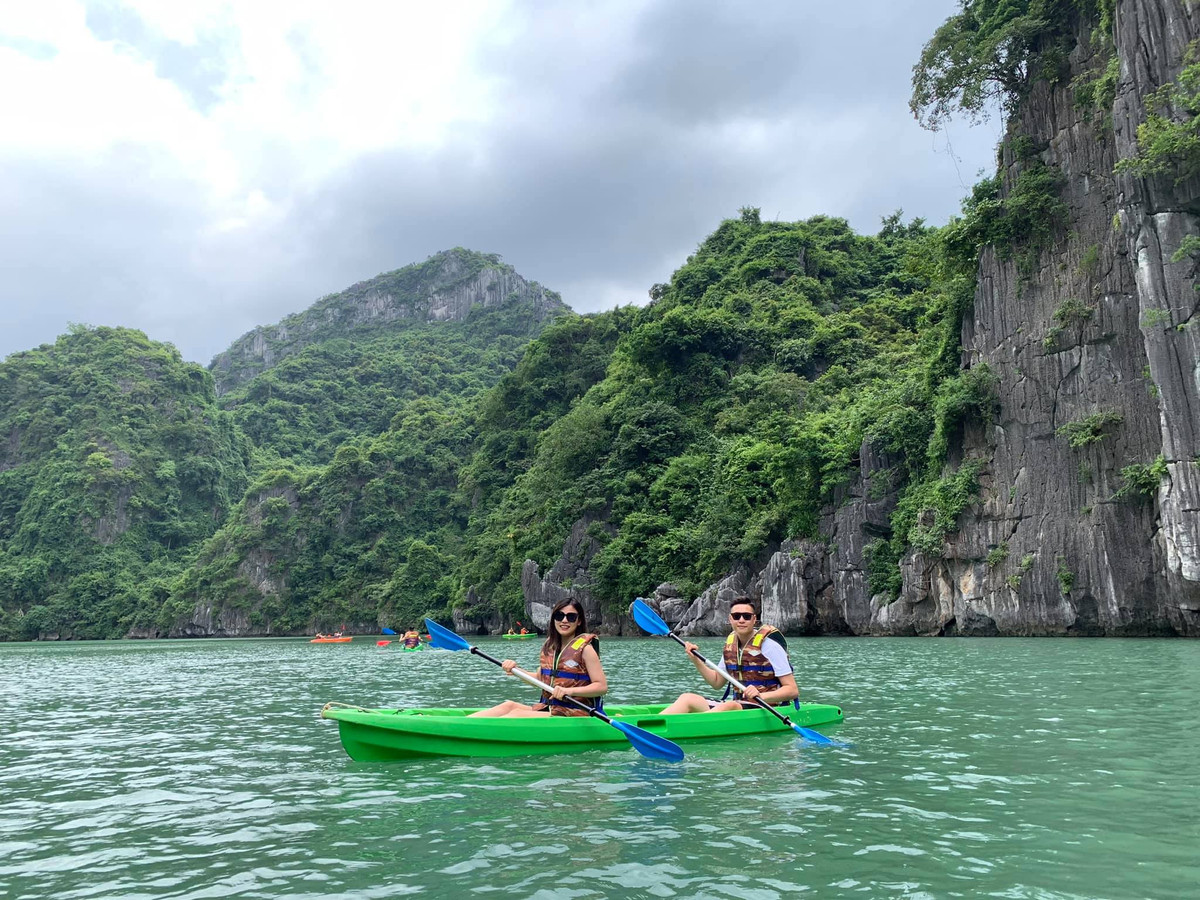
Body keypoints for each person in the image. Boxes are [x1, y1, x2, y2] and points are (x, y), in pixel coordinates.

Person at [468, 599, 607, 717]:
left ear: (578, 621)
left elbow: (601, 686)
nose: (564, 620)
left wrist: (568, 691)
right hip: (550, 708)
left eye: (571, 617)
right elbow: (541, 679)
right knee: (509, 706)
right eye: (559, 616)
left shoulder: (586, 650)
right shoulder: (550, 647)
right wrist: (515, 670)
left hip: (575, 712)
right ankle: (461, 725)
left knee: (517, 714)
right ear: (554, 619)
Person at [660, 597, 798, 714]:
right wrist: (695, 660)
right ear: (730, 619)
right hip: (738, 704)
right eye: (737, 616)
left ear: (754, 619)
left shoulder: (770, 646)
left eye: (747, 616)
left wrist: (761, 695)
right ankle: (651, 726)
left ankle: (686, 727)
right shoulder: (731, 645)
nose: (741, 620)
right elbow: (716, 682)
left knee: (729, 706)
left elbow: (792, 690)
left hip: (767, 707)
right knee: (687, 698)